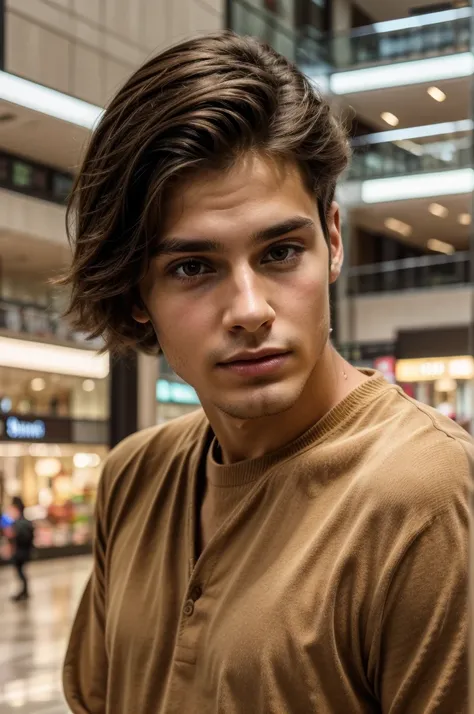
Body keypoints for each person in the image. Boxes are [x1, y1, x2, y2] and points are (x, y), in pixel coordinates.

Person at [61, 32, 472, 714]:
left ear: (332, 241)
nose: (249, 310)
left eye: (281, 252)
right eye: (193, 267)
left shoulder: (426, 496)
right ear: (138, 292)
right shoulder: (133, 475)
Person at [7, 497, 34, 601]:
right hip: (23, 551)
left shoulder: (20, 523)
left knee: (20, 571)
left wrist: (13, 535)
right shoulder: (23, 521)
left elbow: (23, 537)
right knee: (20, 571)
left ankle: (24, 591)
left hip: (21, 552)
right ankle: (24, 591)